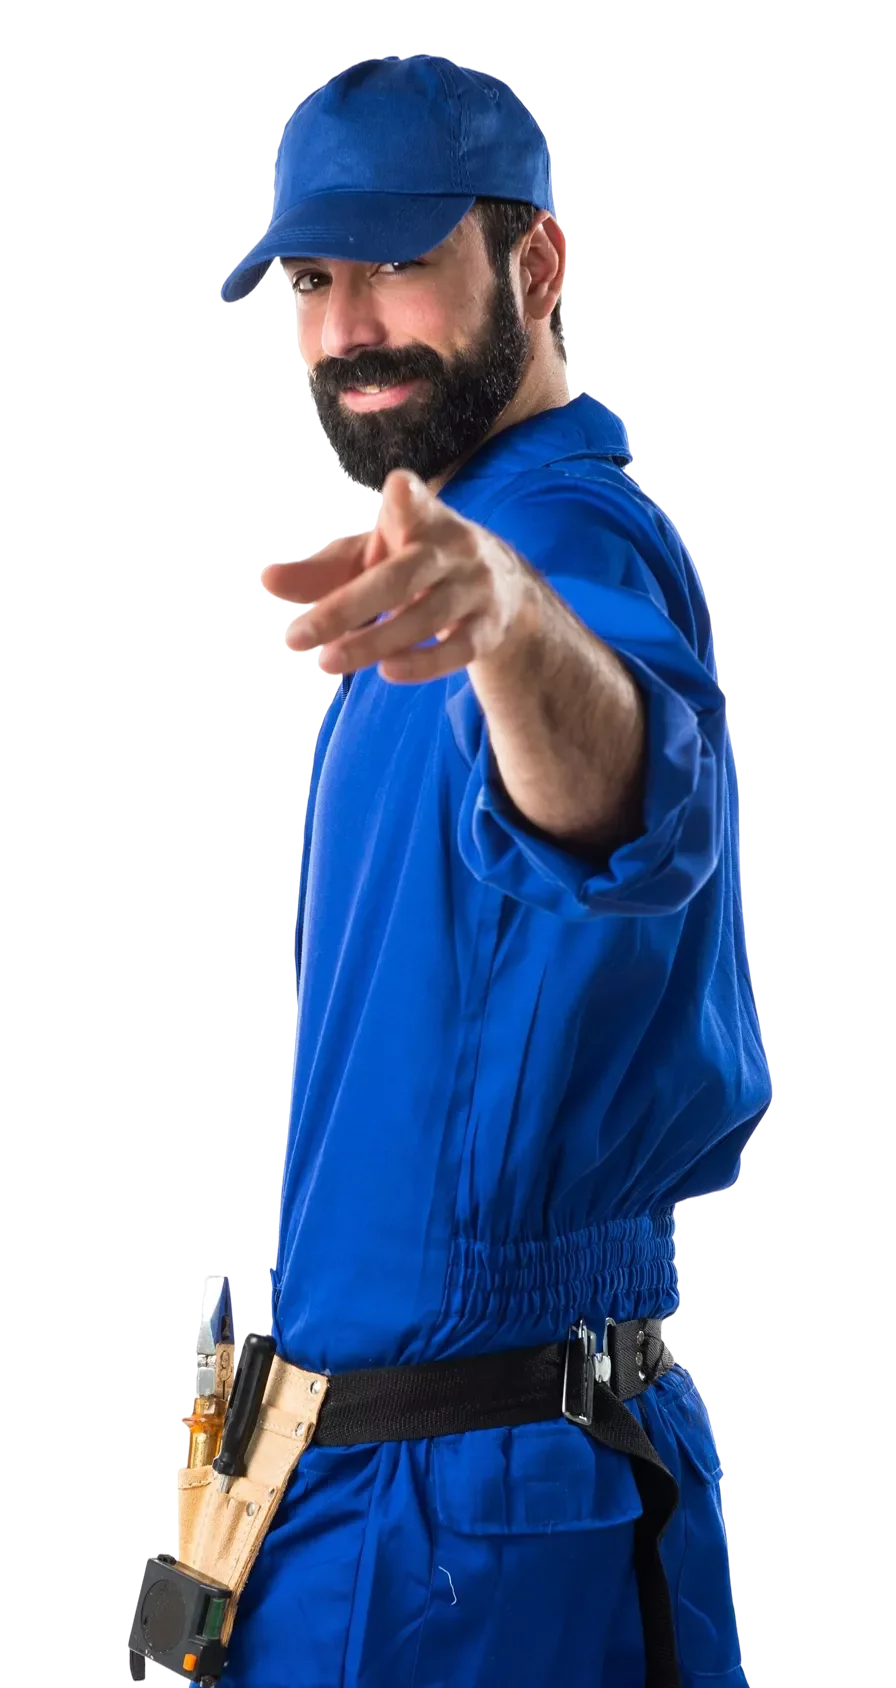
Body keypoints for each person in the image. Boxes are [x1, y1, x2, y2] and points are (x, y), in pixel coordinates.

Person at [220, 53, 772, 1688]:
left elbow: (628, 796)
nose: (342, 329)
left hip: (469, 1532)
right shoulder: (430, 563)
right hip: (369, 1494)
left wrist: (518, 631)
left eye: (396, 263)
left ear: (534, 266)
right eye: (314, 280)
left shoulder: (559, 544)